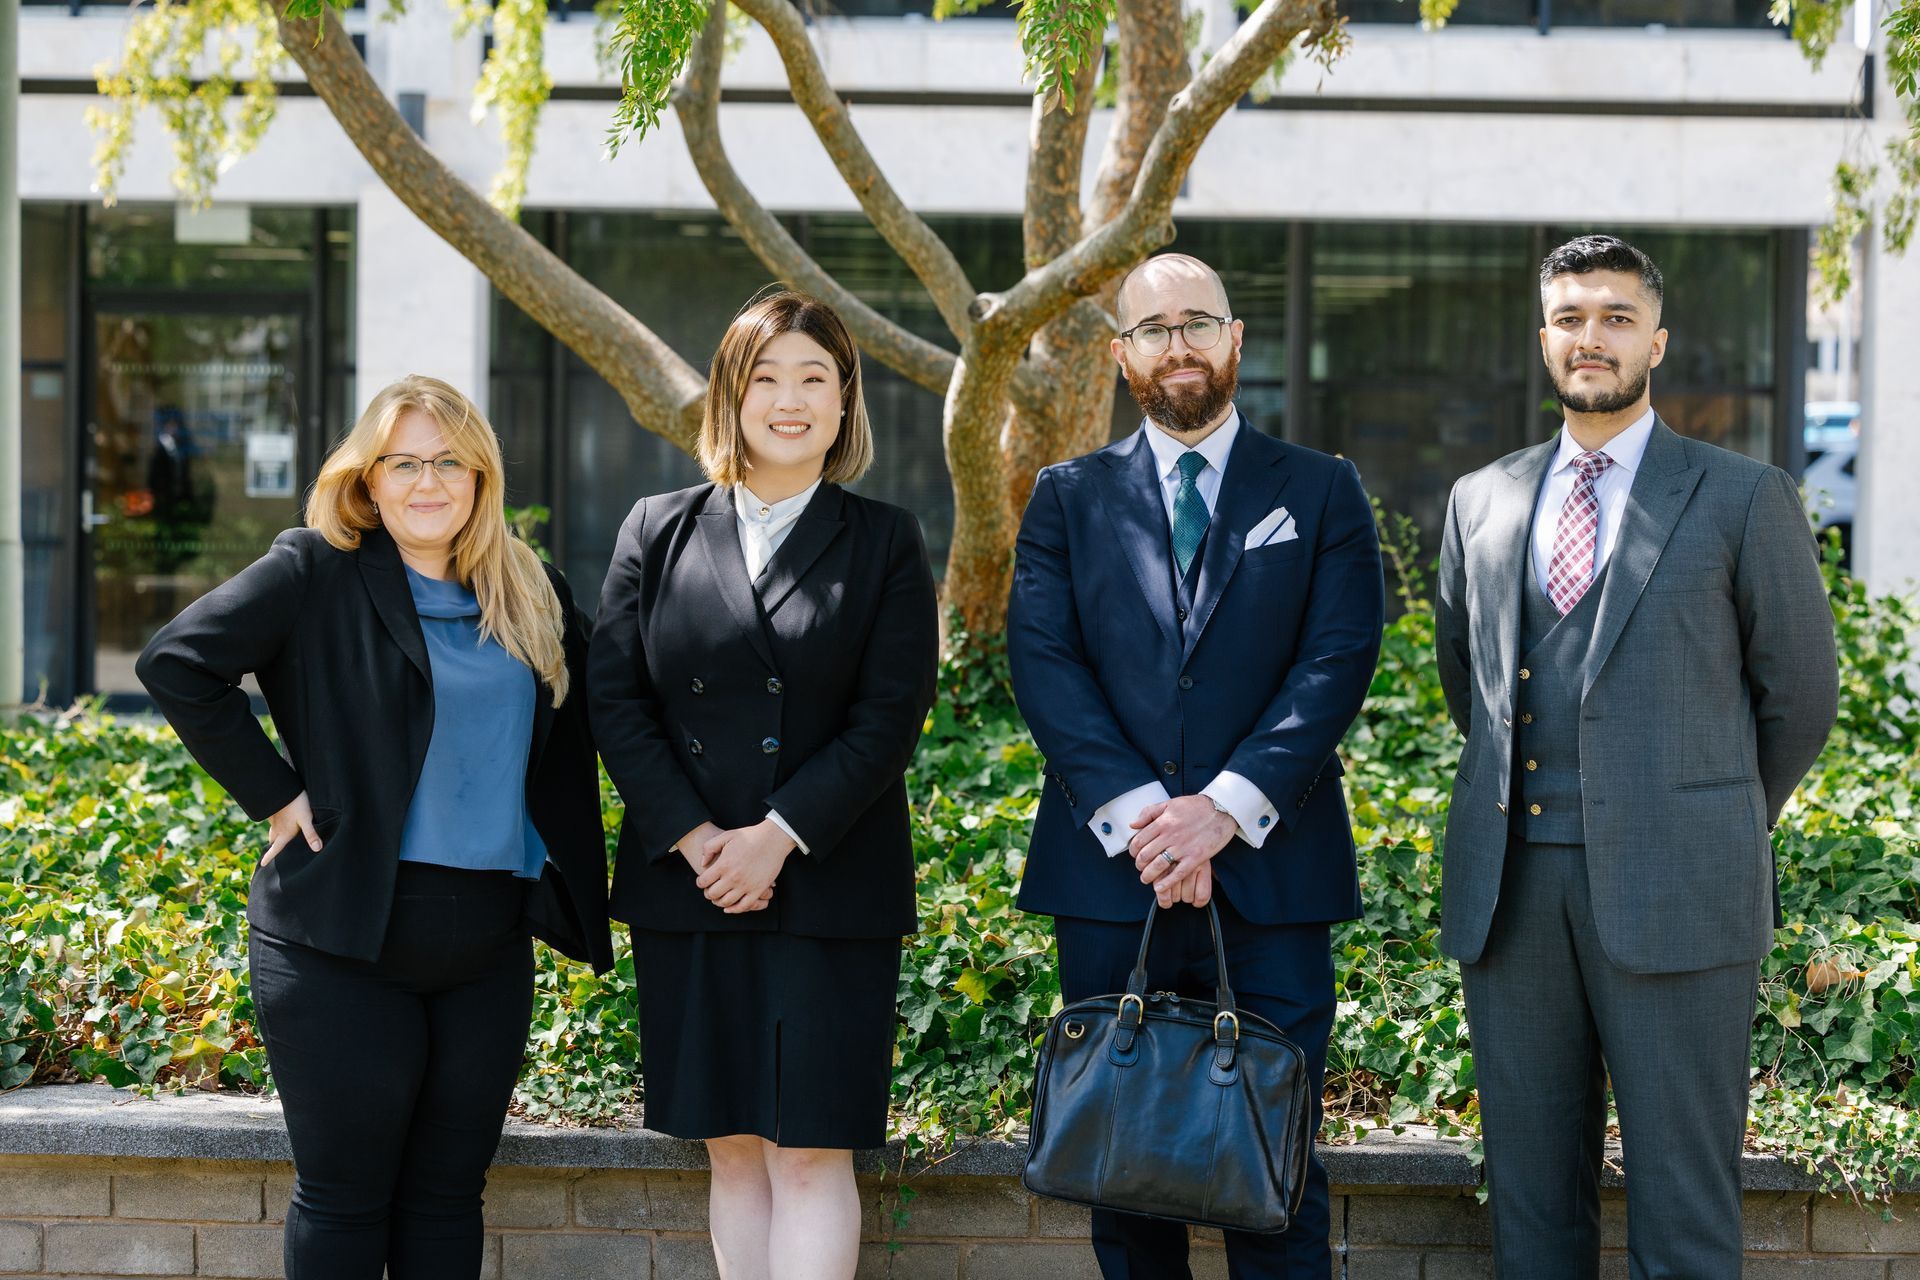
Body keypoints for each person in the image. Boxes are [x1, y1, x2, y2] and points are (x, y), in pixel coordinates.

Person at [136, 374, 613, 1280]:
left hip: (487, 943)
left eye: (448, 462)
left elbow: (612, 709)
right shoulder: (314, 570)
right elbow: (177, 662)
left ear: (480, 478)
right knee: (346, 1202)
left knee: (446, 1200)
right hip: (341, 940)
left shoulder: (530, 590)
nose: (426, 482)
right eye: (403, 462)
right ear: (368, 478)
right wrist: (276, 793)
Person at [1434, 234, 1839, 1276]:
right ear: (1544, 339)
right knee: (1530, 1204)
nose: (1591, 336)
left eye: (1616, 316)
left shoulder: (1743, 495)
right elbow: (1467, 684)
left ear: (1657, 339)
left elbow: (1800, 697)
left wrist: (1707, 812)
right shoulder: (1481, 498)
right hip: (1512, 892)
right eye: (1570, 317)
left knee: (1687, 1206)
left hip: (1684, 887)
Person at [1008, 252, 1385, 1279]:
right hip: (1108, 879)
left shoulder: (1320, 490)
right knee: (1122, 1177)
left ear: (1236, 339)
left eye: (1198, 322)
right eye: (1155, 327)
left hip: (1271, 875)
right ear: (1122, 352)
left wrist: (1220, 810)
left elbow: (1337, 660)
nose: (1179, 345)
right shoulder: (1065, 498)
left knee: (1276, 1176)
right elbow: (1044, 664)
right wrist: (1150, 821)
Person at [588, 291, 939, 1280]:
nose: (791, 399)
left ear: (843, 403)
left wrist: (776, 834)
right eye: (768, 377)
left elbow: (888, 719)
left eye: (814, 378)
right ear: (731, 397)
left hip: (829, 881)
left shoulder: (885, 540)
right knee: (732, 1142)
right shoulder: (656, 528)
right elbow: (616, 701)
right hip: (690, 884)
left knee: (811, 1141)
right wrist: (702, 840)